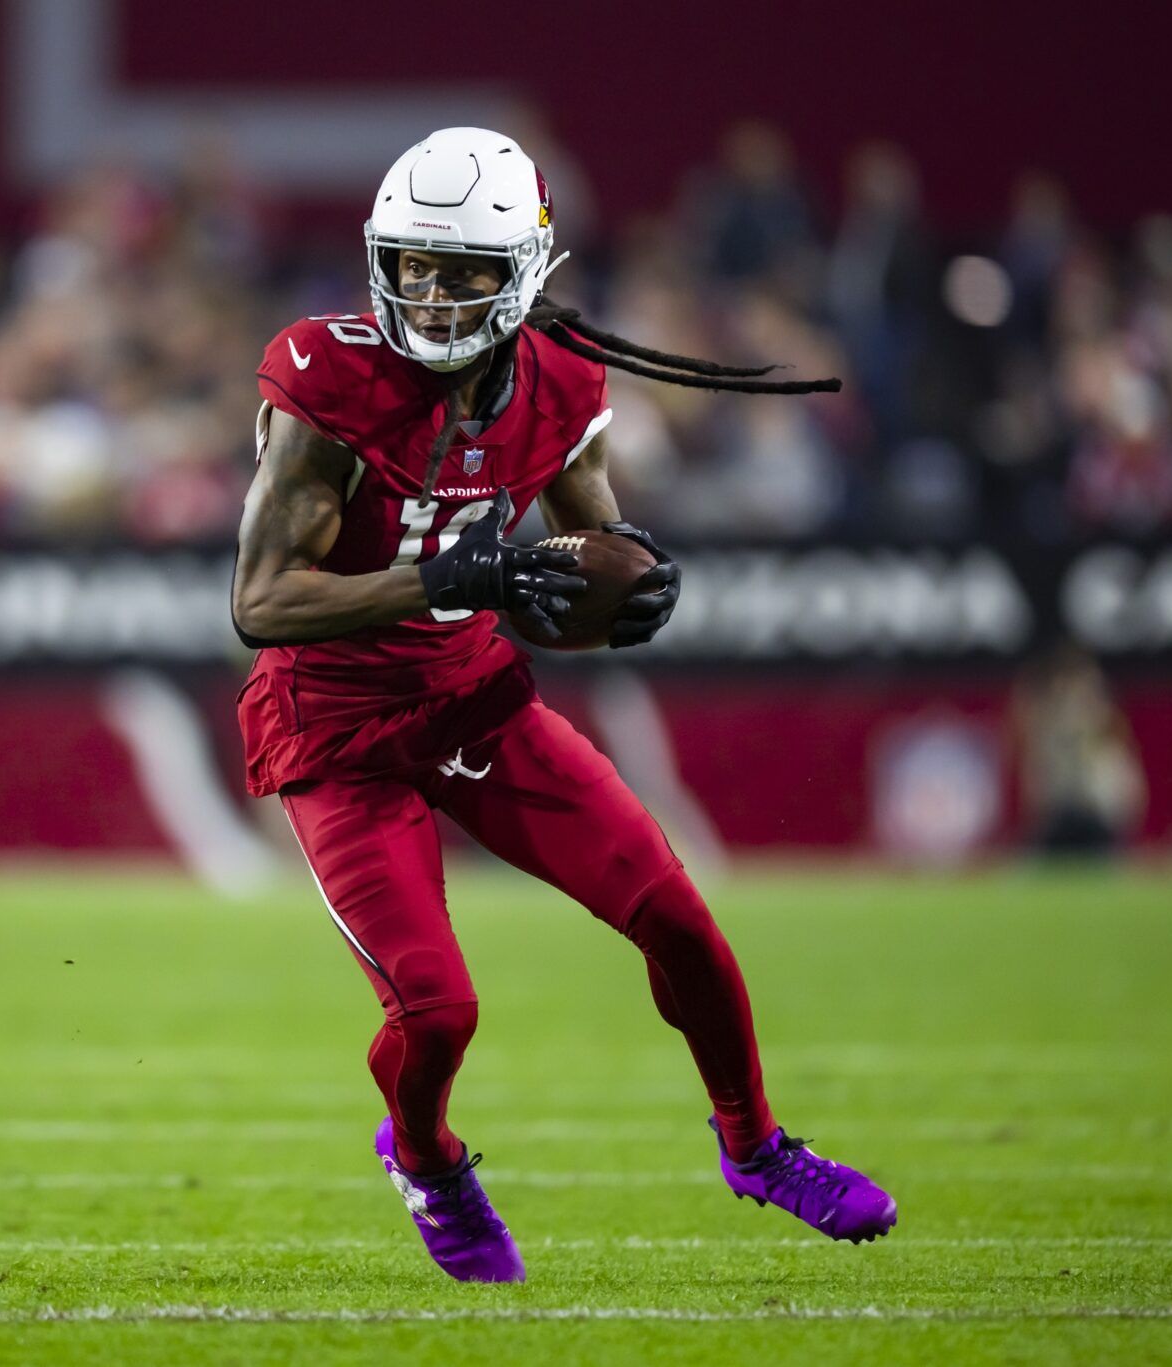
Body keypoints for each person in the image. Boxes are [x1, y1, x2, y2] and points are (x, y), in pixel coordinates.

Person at [231, 128, 896, 1284]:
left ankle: (756, 1145)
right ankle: (429, 1156)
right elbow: (262, 600)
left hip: (474, 705)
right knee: (436, 1012)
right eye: (416, 266)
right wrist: (452, 577)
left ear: (529, 270)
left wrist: (628, 589)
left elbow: (582, 555)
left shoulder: (563, 381)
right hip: (339, 732)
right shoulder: (324, 377)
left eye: (467, 271)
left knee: (680, 918)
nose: (435, 297)